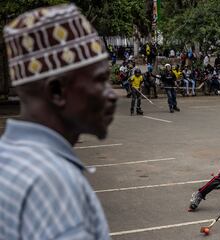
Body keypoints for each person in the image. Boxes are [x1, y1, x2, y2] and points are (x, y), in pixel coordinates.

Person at [0, 4, 117, 239]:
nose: (112, 94)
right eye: (100, 80)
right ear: (57, 91)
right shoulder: (53, 183)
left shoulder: (9, 159)